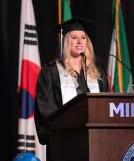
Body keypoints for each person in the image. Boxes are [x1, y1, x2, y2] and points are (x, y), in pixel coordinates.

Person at [35, 17, 109, 145]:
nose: (80, 41)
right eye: (74, 38)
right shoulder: (50, 73)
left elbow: (106, 106)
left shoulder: (98, 74)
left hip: (97, 142)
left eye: (83, 37)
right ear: (65, 42)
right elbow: (46, 110)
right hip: (64, 141)